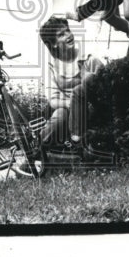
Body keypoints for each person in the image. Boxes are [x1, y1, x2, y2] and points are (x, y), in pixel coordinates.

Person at [37, 15, 106, 158]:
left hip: (91, 108)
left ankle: (78, 147)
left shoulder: (88, 59)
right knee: (59, 115)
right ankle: (37, 150)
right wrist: (72, 104)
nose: (68, 35)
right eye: (61, 34)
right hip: (67, 111)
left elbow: (104, 90)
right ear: (54, 43)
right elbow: (53, 100)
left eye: (68, 30)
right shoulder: (52, 67)